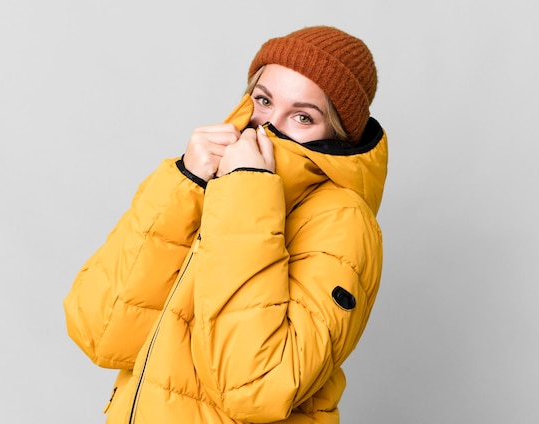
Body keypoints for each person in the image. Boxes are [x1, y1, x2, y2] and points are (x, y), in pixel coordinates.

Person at [64, 25, 388, 423]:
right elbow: (100, 331)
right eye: (264, 100)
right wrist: (187, 182)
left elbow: (254, 386)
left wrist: (247, 193)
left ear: (337, 132)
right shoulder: (211, 179)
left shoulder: (344, 221)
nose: (268, 126)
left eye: (303, 116)